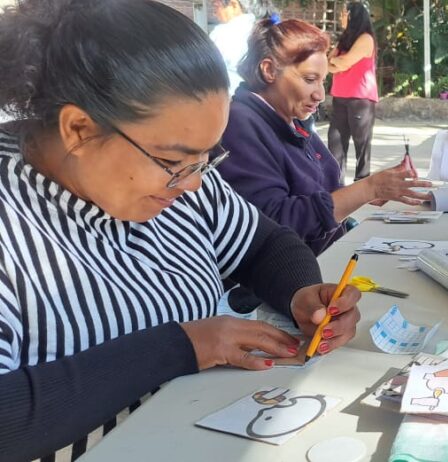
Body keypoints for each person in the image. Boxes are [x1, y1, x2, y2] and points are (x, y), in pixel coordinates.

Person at [0, 1, 361, 460]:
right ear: (79, 129)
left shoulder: (185, 181)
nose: (194, 183)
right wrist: (185, 345)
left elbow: (265, 242)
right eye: (173, 162)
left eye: (206, 158)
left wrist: (302, 293)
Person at [218, 17, 431, 256]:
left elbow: (322, 191)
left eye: (323, 81)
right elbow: (274, 224)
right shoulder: (239, 125)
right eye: (310, 80)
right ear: (268, 70)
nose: (320, 94)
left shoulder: (290, 119)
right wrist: (368, 189)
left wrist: (372, 193)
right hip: (293, 284)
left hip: (328, 258)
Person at [327, 1, 379, 183]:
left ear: (352, 16)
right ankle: (336, 184)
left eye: (343, 14)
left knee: (361, 144)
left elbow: (344, 62)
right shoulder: (345, 39)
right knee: (335, 141)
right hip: (340, 96)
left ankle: (362, 182)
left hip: (360, 99)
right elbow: (330, 65)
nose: (341, 17)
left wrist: (338, 62)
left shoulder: (366, 39)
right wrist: (337, 63)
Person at [208, 0, 271, 95]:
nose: (214, 14)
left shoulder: (222, 33)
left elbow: (205, 72)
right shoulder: (265, 30)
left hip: (230, 100)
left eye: (216, 6)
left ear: (234, 5)